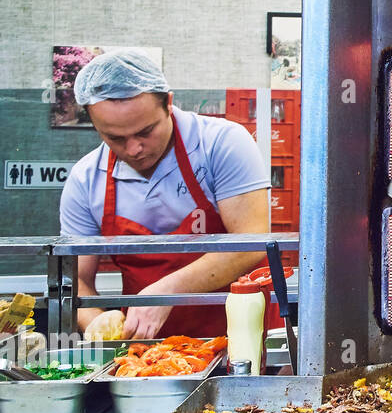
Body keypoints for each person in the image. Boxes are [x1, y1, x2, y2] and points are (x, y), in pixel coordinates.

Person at [59, 52, 277, 340]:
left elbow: (251, 243)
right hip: (149, 352)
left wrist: (168, 290)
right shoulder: (86, 179)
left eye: (145, 131)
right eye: (115, 138)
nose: (134, 148)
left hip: (245, 339)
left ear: (169, 104)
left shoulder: (220, 144)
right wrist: (96, 324)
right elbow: (76, 279)